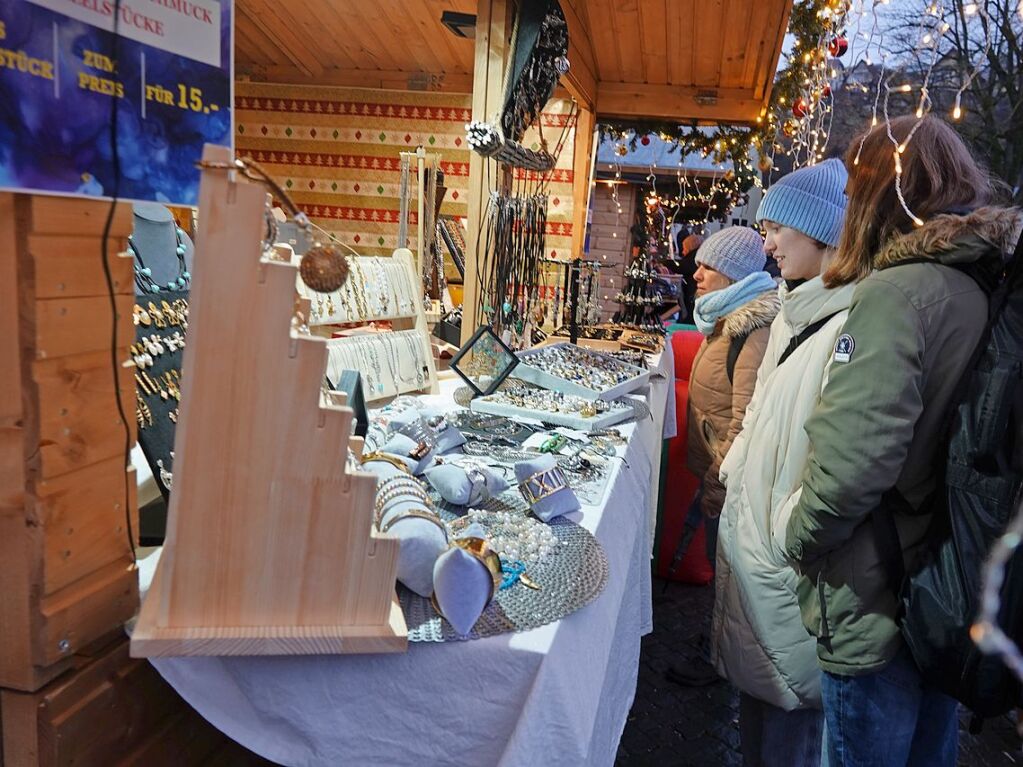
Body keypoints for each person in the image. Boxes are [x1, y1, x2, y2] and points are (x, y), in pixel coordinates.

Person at [785, 116, 1021, 766]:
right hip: (951, 578)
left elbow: (851, 463)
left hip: (877, 597)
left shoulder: (898, 292)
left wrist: (798, 538)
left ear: (875, 196)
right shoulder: (982, 281)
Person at [711, 159, 853, 766]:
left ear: (821, 233)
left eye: (776, 228)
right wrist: (735, 472)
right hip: (759, 544)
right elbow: (763, 411)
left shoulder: (846, 324)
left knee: (789, 730)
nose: (765, 241)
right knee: (764, 713)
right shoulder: (796, 311)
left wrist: (783, 533)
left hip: (783, 557)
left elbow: (842, 459)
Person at [666, 225, 779, 687]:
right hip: (717, 467)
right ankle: (715, 645)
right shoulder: (724, 318)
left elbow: (744, 417)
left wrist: (717, 481)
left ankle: (719, 657)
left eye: (708, 266)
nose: (697, 273)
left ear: (731, 275)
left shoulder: (750, 329)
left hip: (728, 475)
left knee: (729, 574)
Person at [678, 233, 704, 323]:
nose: (683, 252)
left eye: (684, 248)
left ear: (690, 247)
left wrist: (664, 262)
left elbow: (683, 266)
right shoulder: (699, 255)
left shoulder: (694, 257)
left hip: (693, 292)